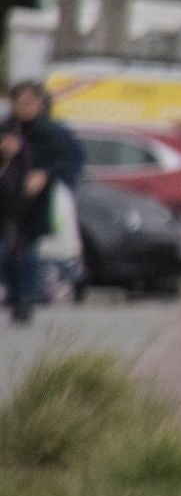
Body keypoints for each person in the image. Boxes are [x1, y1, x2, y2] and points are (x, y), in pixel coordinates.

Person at [4, 84, 83, 322]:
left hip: (35, 200)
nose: (25, 107)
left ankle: (26, 298)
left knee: (27, 250)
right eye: (20, 102)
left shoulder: (50, 131)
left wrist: (44, 174)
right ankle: (14, 294)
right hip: (6, 197)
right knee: (6, 252)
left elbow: (64, 160)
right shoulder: (8, 129)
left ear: (40, 104)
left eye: (30, 102)